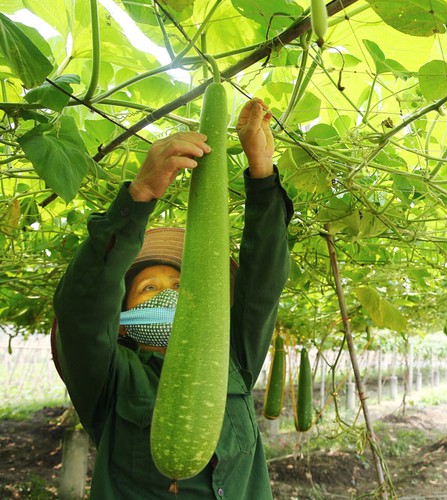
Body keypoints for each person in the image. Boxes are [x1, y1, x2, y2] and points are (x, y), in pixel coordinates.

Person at [51, 97, 292, 499]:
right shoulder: (108, 378)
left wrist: (262, 172)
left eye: (179, 287)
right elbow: (82, 310)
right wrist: (140, 194)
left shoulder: (231, 360)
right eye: (148, 288)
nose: (166, 295)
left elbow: (263, 285)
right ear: (123, 312)